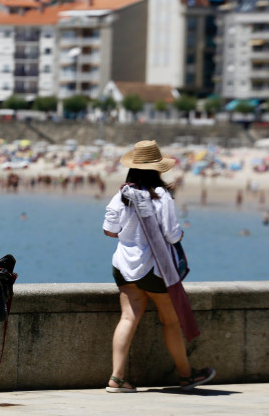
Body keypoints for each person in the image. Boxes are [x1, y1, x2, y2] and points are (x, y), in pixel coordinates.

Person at [102, 140, 215, 393]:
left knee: (128, 317)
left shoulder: (121, 194)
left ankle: (117, 378)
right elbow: (172, 235)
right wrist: (177, 236)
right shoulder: (161, 196)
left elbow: (110, 230)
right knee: (171, 323)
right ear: (157, 169)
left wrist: (130, 233)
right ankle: (186, 376)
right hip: (155, 270)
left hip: (123, 265)